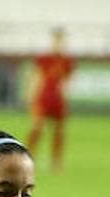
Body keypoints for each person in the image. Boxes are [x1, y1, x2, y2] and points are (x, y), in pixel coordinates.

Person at [25, 28, 74, 173]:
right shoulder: (43, 59)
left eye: (60, 41)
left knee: (59, 131)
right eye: (56, 41)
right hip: (43, 98)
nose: (58, 44)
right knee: (37, 128)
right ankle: (27, 158)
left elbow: (67, 82)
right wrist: (31, 96)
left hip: (58, 100)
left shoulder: (66, 61)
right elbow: (35, 77)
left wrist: (65, 98)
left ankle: (56, 162)